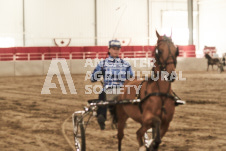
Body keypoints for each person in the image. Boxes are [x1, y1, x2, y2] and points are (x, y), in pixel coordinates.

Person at [91, 40, 134, 130]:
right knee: (103, 94)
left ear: (119, 50)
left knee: (103, 96)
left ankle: (102, 115)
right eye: (114, 49)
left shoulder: (104, 63)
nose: (116, 51)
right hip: (116, 90)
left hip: (118, 90)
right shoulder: (124, 64)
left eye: (117, 49)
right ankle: (102, 116)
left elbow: (131, 79)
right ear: (109, 49)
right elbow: (93, 78)